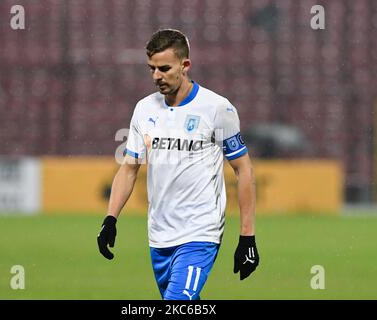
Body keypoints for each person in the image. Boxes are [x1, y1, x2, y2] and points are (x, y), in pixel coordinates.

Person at [97, 29, 259, 300]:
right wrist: (110, 219)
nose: (156, 76)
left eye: (164, 68)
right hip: (159, 236)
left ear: (185, 66)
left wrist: (247, 236)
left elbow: (243, 169)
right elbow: (129, 168)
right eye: (151, 69)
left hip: (200, 233)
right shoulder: (144, 109)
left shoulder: (217, 109)